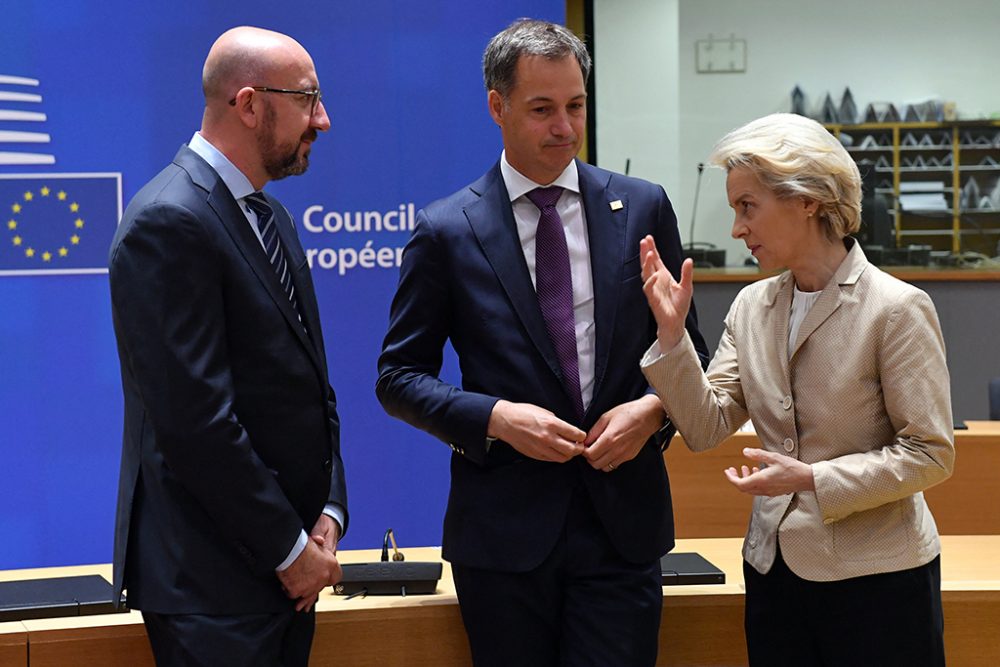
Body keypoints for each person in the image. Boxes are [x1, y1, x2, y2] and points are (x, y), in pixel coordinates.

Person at [376, 18, 708, 667]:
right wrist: (495, 417)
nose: (565, 127)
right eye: (542, 109)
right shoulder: (447, 231)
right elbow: (399, 376)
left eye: (576, 106)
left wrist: (651, 411)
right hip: (503, 537)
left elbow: (688, 349)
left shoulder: (642, 208)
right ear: (497, 107)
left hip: (622, 528)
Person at [639, 112, 954, 666]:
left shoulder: (897, 308)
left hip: (878, 580)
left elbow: (930, 455)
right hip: (773, 572)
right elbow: (706, 426)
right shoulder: (752, 306)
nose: (737, 229)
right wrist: (672, 337)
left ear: (806, 199)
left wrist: (811, 479)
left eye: (747, 207)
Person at [108, 27, 347, 667]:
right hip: (212, 590)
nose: (322, 119)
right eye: (306, 99)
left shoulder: (268, 215)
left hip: (282, 578)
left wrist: (328, 511)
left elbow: (308, 385)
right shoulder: (169, 220)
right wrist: (290, 551)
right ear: (248, 104)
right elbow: (196, 424)